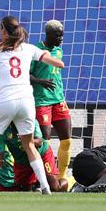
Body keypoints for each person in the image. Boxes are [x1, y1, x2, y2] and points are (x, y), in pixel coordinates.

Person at [0, 16, 63, 195]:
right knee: (29, 145)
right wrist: (57, 61)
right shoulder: (29, 48)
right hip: (26, 102)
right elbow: (58, 63)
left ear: (4, 31)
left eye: (0, 28)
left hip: (5, 101)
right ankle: (45, 187)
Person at [28, 20, 72, 182]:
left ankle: (61, 177)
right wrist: (40, 81)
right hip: (42, 102)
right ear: (48, 34)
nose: (61, 39)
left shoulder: (58, 51)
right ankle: (43, 178)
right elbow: (25, 74)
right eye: (57, 35)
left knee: (67, 140)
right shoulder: (35, 51)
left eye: (62, 35)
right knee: (44, 142)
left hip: (59, 100)